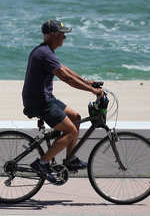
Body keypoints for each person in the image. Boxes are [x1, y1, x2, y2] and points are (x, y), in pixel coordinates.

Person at [22, 19, 103, 183]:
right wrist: (92, 91)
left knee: (76, 117)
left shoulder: (46, 51)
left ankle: (70, 160)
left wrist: (87, 82)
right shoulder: (44, 53)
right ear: (52, 35)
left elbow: (66, 70)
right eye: (62, 35)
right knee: (71, 131)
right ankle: (42, 163)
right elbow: (66, 78)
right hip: (40, 102)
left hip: (45, 98)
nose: (64, 38)